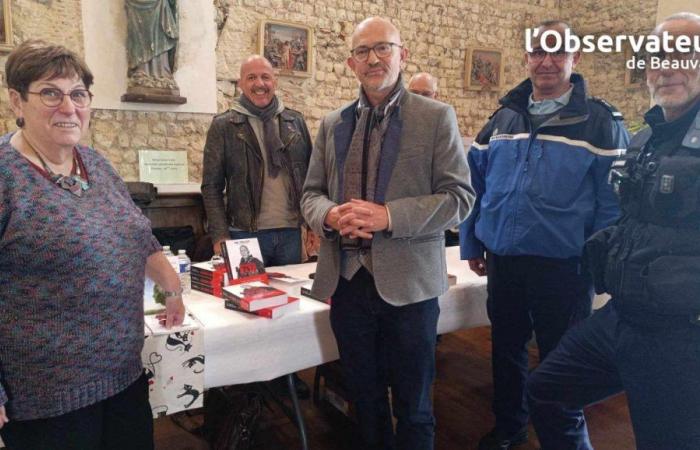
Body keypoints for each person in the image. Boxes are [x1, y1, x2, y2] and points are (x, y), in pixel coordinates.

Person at [0, 40, 185, 449]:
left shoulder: (95, 164)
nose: (68, 106)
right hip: (48, 400)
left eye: (78, 94)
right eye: (50, 92)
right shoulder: (6, 176)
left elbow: (139, 235)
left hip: (123, 378)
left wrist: (170, 285)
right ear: (17, 100)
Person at [527, 13, 700, 450]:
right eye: (656, 56)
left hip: (681, 337)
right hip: (622, 318)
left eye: (683, 55)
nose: (665, 67)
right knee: (545, 391)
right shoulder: (646, 139)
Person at [301, 17, 474, 450]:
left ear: (402, 54)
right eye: (363, 51)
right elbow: (310, 195)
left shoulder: (435, 118)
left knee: (414, 408)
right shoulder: (331, 124)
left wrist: (388, 216)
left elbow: (459, 199)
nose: (374, 58)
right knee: (365, 399)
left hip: (410, 290)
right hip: (348, 284)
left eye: (383, 48)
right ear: (350, 63)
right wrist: (329, 216)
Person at [459, 20, 629, 450]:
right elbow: (473, 183)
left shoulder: (601, 122)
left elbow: (612, 206)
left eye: (558, 51)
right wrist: (473, 241)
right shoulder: (503, 116)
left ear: (575, 58)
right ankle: (510, 428)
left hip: (566, 266)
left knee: (562, 360)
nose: (547, 61)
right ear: (527, 57)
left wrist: (596, 264)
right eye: (538, 51)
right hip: (505, 260)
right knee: (506, 350)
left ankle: (559, 439)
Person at [201, 54, 313, 397]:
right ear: (240, 84)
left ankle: (285, 377)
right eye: (251, 78)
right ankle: (248, 383)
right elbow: (211, 187)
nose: (259, 84)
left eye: (265, 76)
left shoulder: (295, 122)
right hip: (244, 234)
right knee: (248, 314)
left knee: (290, 312)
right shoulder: (224, 125)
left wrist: (312, 226)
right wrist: (220, 235)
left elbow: (311, 180)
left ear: (274, 80)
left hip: (290, 233)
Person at [125, 0, 179, 88]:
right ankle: (142, 71)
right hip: (137, 5)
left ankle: (162, 73)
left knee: (159, 33)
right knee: (140, 34)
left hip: (159, 3)